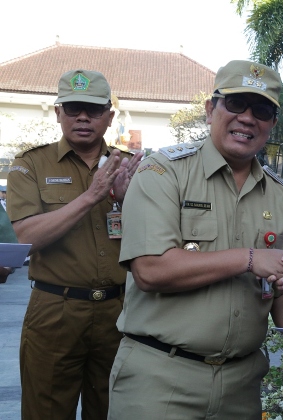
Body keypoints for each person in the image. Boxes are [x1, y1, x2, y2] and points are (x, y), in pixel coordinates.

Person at [108, 60, 283, 419]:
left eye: (262, 110)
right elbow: (150, 269)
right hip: (159, 379)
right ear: (211, 110)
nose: (247, 118)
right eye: (235, 104)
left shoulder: (281, 195)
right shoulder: (162, 172)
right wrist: (250, 258)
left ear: (272, 123)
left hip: (241, 385)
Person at [6, 69, 142, 419]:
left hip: (119, 311)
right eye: (73, 108)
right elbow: (26, 236)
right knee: (46, 411)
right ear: (58, 114)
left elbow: (157, 239)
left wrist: (129, 202)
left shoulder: (131, 167)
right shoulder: (31, 165)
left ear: (109, 118)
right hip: (55, 309)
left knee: (113, 410)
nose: (83, 117)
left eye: (94, 110)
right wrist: (92, 195)